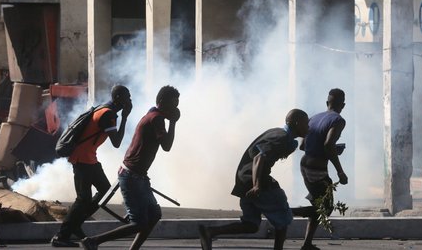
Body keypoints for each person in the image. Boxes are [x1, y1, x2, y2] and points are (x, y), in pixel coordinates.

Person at [80, 85, 181, 250]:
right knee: (138, 223)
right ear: (162, 102)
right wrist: (173, 123)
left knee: (154, 215)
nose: (175, 109)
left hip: (137, 176)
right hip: (132, 176)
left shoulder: (152, 114)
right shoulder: (157, 118)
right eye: (172, 104)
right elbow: (167, 146)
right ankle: (93, 241)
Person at [198, 109, 310, 250]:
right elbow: (259, 157)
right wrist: (257, 185)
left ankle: (210, 232)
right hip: (255, 181)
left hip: (244, 180)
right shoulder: (281, 137)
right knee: (283, 219)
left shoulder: (277, 133)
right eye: (306, 124)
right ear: (296, 122)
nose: (308, 127)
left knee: (251, 225)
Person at [51, 85, 132, 247]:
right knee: (83, 199)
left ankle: (75, 225)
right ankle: (62, 236)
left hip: (89, 159)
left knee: (103, 191)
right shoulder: (108, 114)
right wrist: (125, 117)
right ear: (118, 98)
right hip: (82, 159)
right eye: (127, 97)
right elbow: (116, 143)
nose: (129, 100)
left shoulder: (103, 108)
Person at [295, 88, 348, 250]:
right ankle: (288, 212)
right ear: (343, 105)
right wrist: (340, 171)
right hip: (317, 169)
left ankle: (307, 244)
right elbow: (328, 144)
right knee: (326, 207)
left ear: (327, 103)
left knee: (319, 205)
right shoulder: (338, 120)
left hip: (305, 165)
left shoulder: (312, 118)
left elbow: (303, 146)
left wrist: (330, 149)